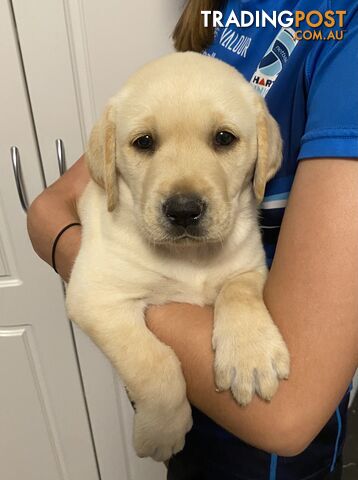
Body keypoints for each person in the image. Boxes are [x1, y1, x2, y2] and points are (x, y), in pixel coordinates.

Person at [27, 1, 358, 479]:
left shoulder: (341, 25)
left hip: (265, 452)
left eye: (223, 139)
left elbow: (287, 413)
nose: (183, 199)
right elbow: (51, 210)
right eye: (145, 144)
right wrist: (159, 386)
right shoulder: (235, 12)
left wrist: (234, 297)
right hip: (192, 419)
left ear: (263, 155)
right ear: (113, 157)